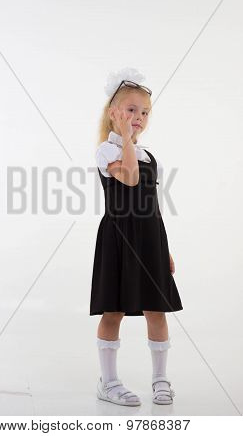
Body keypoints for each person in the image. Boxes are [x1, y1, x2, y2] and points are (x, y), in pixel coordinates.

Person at [89, 69, 183, 406]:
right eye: (131, 110)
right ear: (113, 112)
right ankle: (109, 382)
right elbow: (128, 179)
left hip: (149, 237)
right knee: (112, 310)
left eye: (144, 112)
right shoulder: (107, 151)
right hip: (118, 238)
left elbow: (152, 205)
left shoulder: (148, 154)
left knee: (156, 310)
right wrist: (126, 137)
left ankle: (160, 378)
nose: (139, 117)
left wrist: (165, 247)